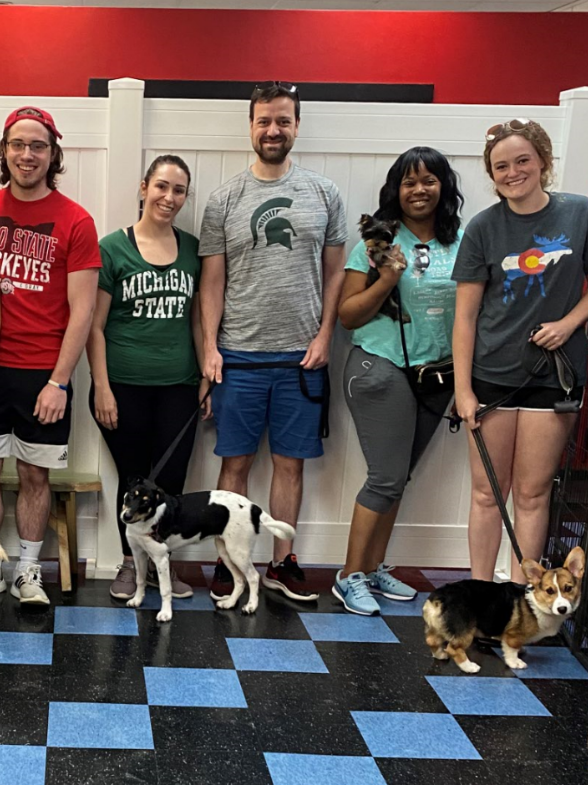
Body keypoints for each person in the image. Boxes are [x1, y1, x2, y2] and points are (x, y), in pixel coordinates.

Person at [199, 80, 347, 603]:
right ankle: (228, 560)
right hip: (237, 357)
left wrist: (326, 334)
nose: (273, 129)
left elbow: (336, 275)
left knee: (290, 464)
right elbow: (211, 283)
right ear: (251, 126)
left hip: (301, 358)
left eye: (283, 120)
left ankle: (283, 562)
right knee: (233, 465)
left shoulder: (324, 194)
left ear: (296, 126)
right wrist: (210, 351)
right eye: (264, 120)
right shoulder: (224, 199)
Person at [0, 107, 100, 606]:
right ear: (5, 150)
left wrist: (59, 381)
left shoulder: (76, 220)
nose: (27, 155)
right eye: (18, 145)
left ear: (52, 153)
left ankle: (27, 570)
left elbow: (82, 311)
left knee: (32, 474)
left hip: (43, 370)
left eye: (37, 146)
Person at [453, 118, 588, 581]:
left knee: (532, 495)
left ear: (544, 161)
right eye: (501, 166)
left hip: (553, 378)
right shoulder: (482, 228)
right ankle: (479, 593)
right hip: (492, 376)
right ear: (491, 176)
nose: (513, 173)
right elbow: (465, 316)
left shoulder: (578, 214)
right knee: (488, 494)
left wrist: (569, 323)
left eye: (522, 161)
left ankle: (521, 600)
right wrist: (464, 389)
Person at [334, 147, 464, 615]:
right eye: (409, 182)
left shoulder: (463, 241)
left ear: (444, 187)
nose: (419, 190)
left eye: (430, 180)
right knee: (385, 478)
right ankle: (348, 576)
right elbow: (347, 316)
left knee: (397, 479)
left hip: (437, 374)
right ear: (396, 189)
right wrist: (387, 278)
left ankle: (371, 568)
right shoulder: (375, 243)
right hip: (380, 368)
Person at [89, 154, 205, 601]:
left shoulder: (193, 250)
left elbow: (197, 321)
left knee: (171, 481)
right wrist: (101, 386)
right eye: (161, 186)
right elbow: (94, 327)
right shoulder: (113, 248)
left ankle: (162, 565)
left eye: (178, 190)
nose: (169, 197)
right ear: (143, 188)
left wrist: (203, 377)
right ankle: (127, 563)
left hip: (178, 386)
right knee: (134, 479)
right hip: (122, 385)